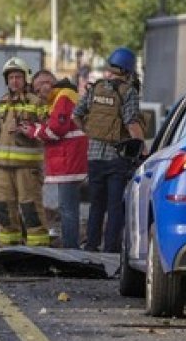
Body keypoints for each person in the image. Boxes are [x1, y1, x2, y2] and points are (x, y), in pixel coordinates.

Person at [73, 47, 147, 253]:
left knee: (96, 205)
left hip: (94, 158)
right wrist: (143, 149)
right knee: (115, 206)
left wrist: (90, 132)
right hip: (117, 157)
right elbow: (132, 123)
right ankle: (111, 248)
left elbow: (76, 115)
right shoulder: (127, 91)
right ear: (128, 70)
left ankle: (91, 245)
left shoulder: (95, 88)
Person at [0, 57, 49, 247]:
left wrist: (27, 129)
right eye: (11, 77)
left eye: (18, 77)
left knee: (31, 209)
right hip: (3, 167)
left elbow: (47, 132)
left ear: (25, 78)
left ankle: (39, 251)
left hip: (27, 168)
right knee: (3, 207)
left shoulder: (36, 102)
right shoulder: (3, 102)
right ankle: (8, 249)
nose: (14, 81)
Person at [20, 70, 88, 249]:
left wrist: (33, 131)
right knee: (69, 208)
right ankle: (72, 245)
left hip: (68, 160)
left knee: (68, 209)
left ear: (47, 82)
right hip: (69, 160)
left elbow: (56, 129)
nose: (38, 94)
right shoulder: (61, 97)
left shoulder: (63, 97)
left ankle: (70, 249)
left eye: (37, 89)